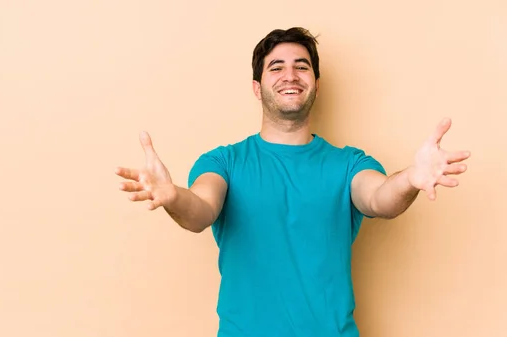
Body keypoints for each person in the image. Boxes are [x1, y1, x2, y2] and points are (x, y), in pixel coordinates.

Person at [115, 27, 470, 337]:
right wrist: (172, 197)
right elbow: (201, 209)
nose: (291, 75)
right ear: (257, 88)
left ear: (316, 84)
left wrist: (410, 178)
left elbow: (378, 198)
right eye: (276, 67)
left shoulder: (349, 163)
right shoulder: (223, 162)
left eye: (302, 66)